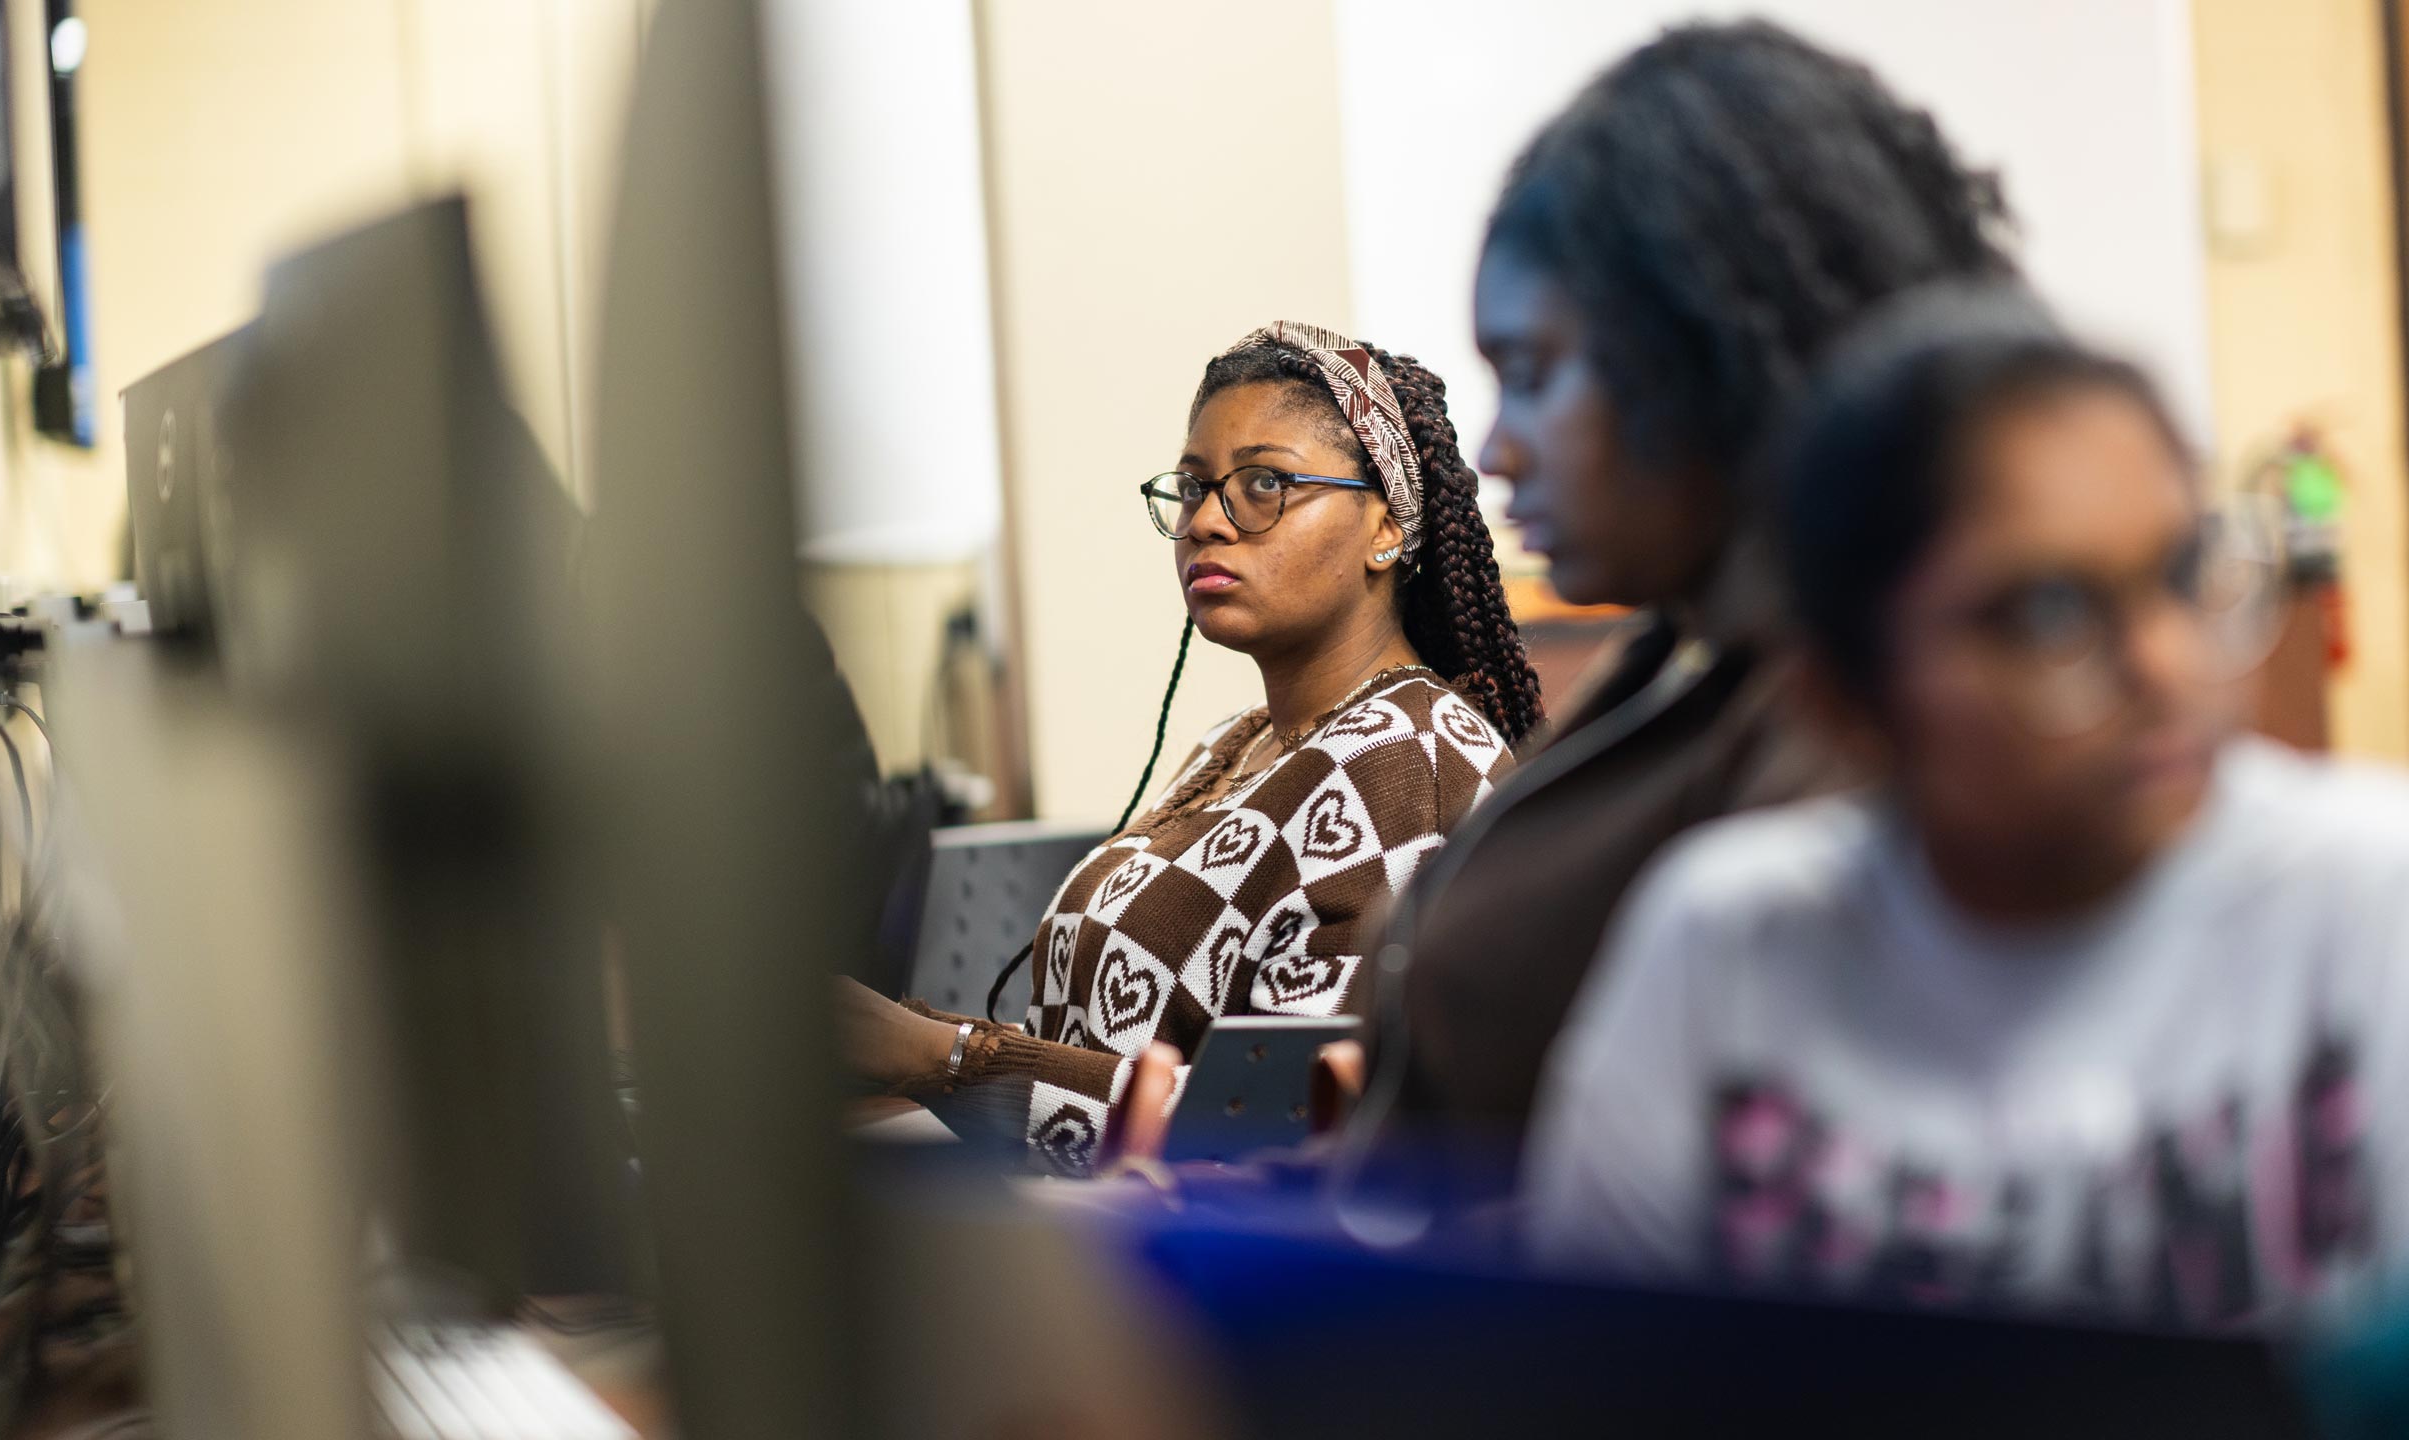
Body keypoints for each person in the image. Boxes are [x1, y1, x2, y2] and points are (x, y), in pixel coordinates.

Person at [1524, 286, 2409, 1331]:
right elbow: (1594, 1387)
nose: (2166, 667)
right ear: (1844, 700)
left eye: (2182, 575)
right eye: (2046, 613)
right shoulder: (1726, 950)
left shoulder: (2367, 903)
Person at [1340, 19, 2018, 1204]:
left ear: (1701, 351)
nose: (1496, 449)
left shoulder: (1846, 724)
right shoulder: (1684, 654)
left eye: (1537, 372)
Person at [838, 321, 1541, 1175]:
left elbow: (1278, 1130)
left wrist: (939, 1057)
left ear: (1387, 527)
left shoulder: (1407, 760)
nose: (1207, 521)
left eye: (1263, 485)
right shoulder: (1242, 742)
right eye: (1193, 487)